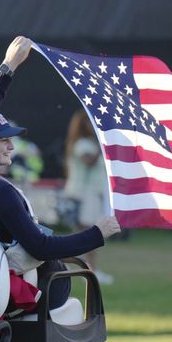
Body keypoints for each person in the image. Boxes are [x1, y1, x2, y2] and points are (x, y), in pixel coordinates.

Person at [0, 37, 121, 313]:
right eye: (2, 140)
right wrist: (98, 233)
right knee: (68, 288)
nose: (11, 145)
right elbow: (41, 247)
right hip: (28, 291)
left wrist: (8, 66)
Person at [63, 109, 113, 284]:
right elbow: (88, 161)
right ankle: (92, 270)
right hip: (84, 195)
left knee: (82, 232)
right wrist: (102, 146)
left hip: (90, 194)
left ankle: (78, 267)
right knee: (90, 233)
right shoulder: (82, 143)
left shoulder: (87, 142)